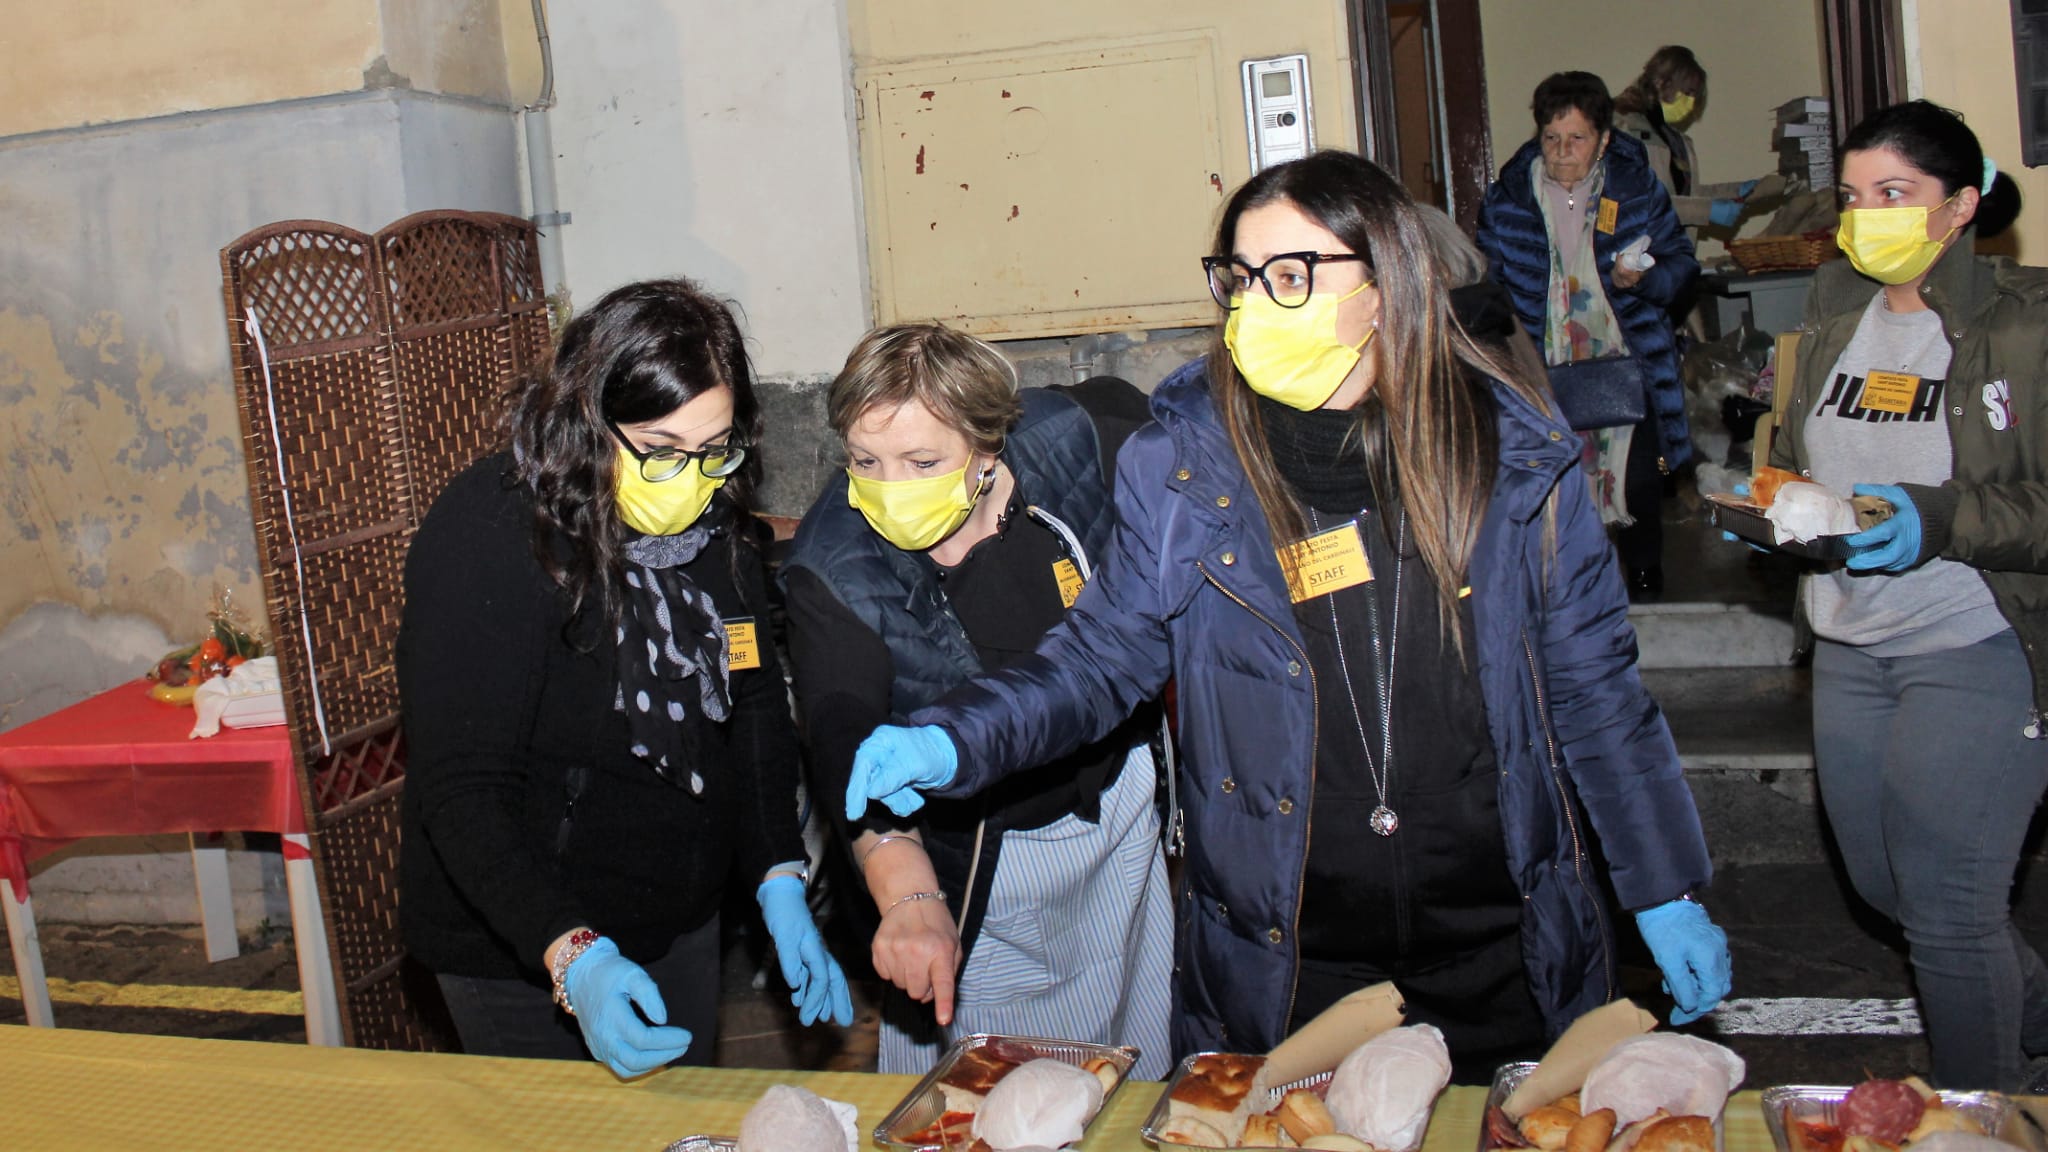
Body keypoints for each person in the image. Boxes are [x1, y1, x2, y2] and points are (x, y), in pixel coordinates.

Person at [838, 150, 1731, 1079]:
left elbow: (1596, 694)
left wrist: (1661, 885)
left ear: (1385, 285)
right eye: (1241, 278)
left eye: (1293, 276)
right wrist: (957, 738)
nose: (1257, 304)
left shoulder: (1512, 461)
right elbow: (1097, 661)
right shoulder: (1184, 472)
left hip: (1500, 939)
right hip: (1290, 948)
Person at [397, 278, 853, 1077]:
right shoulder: (493, 532)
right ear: (586, 421)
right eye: (660, 448)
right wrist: (573, 953)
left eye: (713, 448)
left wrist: (778, 872)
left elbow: (751, 707)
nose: (690, 478)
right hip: (523, 936)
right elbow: (464, 787)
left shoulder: (716, 528)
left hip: (676, 915)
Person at [781, 324, 1173, 1078]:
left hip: (1119, 814)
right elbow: (841, 729)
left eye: (922, 462)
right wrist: (908, 898)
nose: (891, 487)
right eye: (865, 461)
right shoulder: (835, 561)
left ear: (988, 448)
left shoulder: (1071, 440)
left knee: (1130, 1046)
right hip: (988, 857)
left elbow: (1151, 426)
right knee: (989, 1084)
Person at [1764, 100, 2047, 1091]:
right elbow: (1808, 451)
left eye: (1893, 193)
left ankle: (1973, 1125)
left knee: (1949, 910)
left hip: (1976, 640)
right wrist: (1779, 501)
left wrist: (1940, 518)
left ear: (1960, 205)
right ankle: (2030, 1010)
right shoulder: (1836, 304)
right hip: (1850, 638)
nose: (1865, 217)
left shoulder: (2026, 321)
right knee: (1887, 887)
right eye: (1851, 197)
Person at [1478, 71, 1700, 600]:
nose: (1562, 152)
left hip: (1630, 365)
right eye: (1551, 138)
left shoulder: (1636, 189)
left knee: (1641, 481)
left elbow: (1682, 266)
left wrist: (1643, 278)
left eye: (1576, 138)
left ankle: (1645, 582)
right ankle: (1575, 596)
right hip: (1544, 370)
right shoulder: (1509, 201)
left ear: (1602, 139)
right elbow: (1487, 283)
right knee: (1559, 488)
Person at [1612, 46, 1776, 234]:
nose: (1690, 104)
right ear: (1660, 82)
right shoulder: (1621, 128)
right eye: (1687, 93)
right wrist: (1706, 211)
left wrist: (1736, 192)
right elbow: (1632, 202)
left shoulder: (1675, 140)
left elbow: (1687, 195)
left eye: (1695, 96)